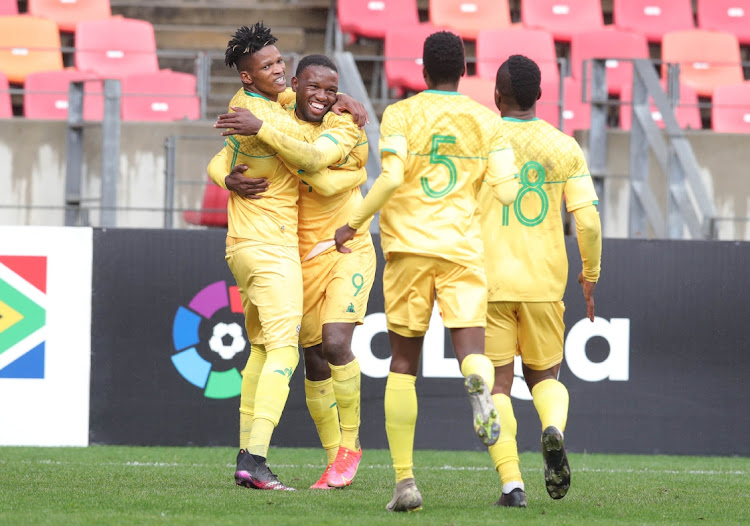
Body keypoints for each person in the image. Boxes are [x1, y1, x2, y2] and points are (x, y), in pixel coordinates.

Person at [334, 31, 520, 512]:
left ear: (422, 69)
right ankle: (477, 383)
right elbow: (506, 193)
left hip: (409, 250)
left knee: (403, 366)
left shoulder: (401, 113)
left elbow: (392, 177)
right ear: (464, 70)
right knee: (472, 353)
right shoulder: (487, 120)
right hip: (460, 248)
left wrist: (353, 224)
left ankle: (405, 483)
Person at [206, 23, 364, 492]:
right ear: (247, 78)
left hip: (243, 246)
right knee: (282, 351)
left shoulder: (257, 107)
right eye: (267, 66)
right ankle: (256, 459)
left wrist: (340, 98)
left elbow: (220, 158)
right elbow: (309, 154)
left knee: (258, 349)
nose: (277, 69)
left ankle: (244, 456)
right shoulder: (259, 118)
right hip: (273, 248)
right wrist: (335, 105)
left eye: (279, 62)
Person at [478, 54, 601, 508]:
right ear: (541, 96)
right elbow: (586, 221)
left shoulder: (482, 141)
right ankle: (552, 428)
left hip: (487, 282)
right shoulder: (564, 145)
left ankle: (512, 486)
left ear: (496, 95)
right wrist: (591, 274)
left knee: (496, 387)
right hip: (544, 283)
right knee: (545, 376)